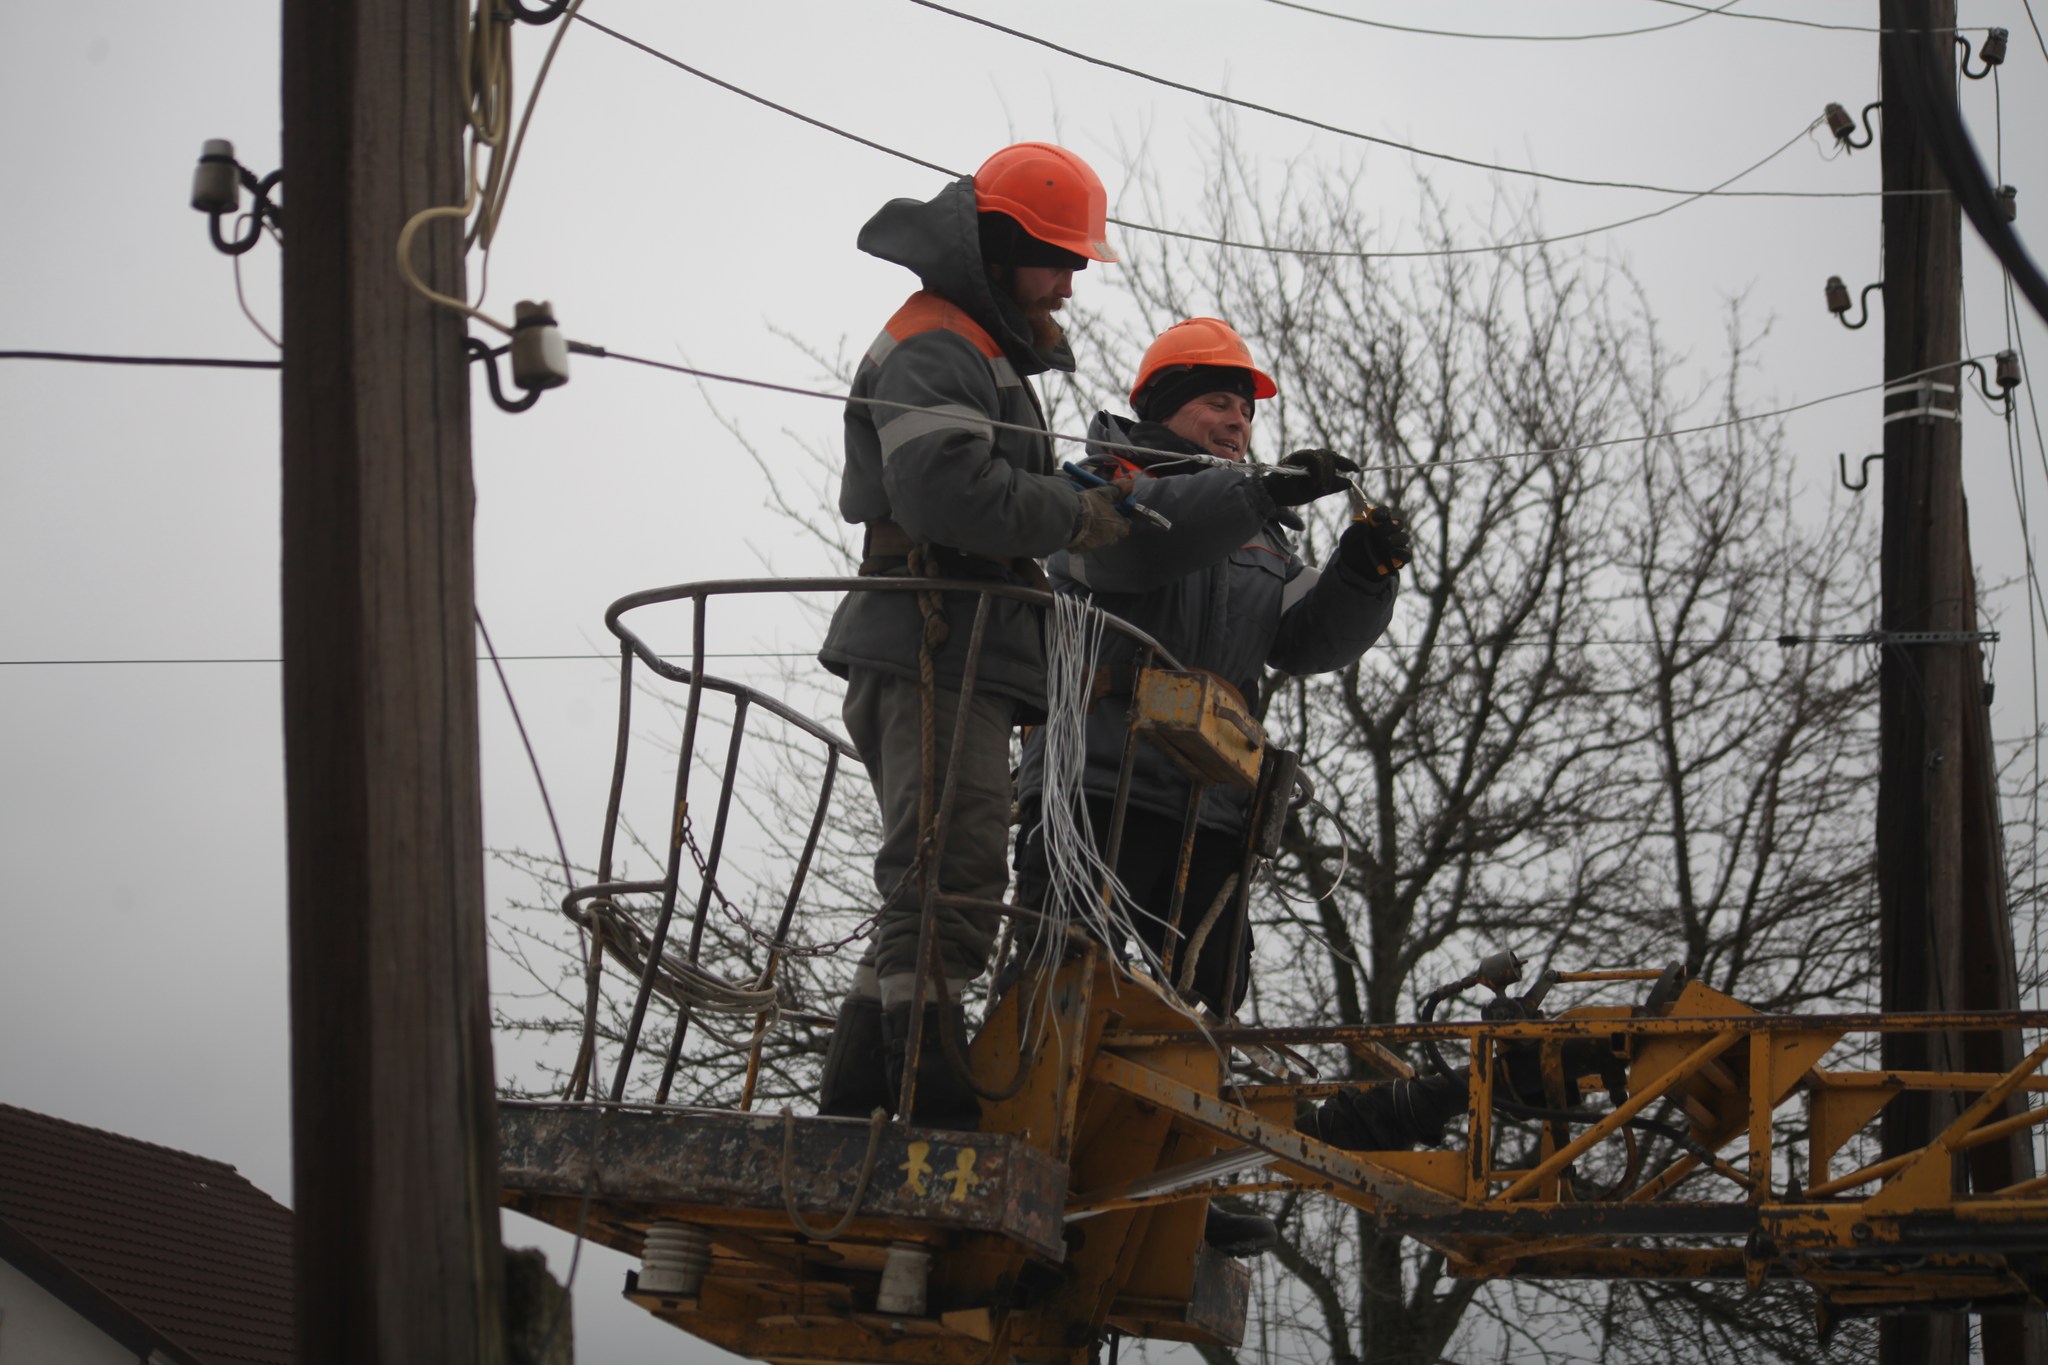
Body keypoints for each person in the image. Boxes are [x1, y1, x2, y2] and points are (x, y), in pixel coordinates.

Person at [1012, 317, 1411, 1253]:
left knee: (1199, 1011)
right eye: (1217, 402)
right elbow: (1145, 549)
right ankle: (1034, 1152)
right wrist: (1256, 491)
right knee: (1068, 984)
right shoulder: (1097, 487)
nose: (1237, 420)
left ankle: (1172, 1190)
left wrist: (1364, 572)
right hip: (1096, 792)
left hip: (1212, 809)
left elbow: (1304, 637)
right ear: (1162, 407)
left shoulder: (1262, 531)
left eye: (1245, 409)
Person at [815, 143, 1130, 1131]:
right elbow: (949, 491)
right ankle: (920, 1070)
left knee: (938, 865)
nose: (1071, 286)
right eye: (1059, 260)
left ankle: (867, 1077)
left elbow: (980, 485)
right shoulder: (940, 346)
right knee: (945, 866)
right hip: (930, 639)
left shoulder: (975, 350)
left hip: (950, 642)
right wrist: (1073, 517)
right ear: (1000, 247)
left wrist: (1073, 495)